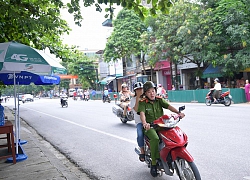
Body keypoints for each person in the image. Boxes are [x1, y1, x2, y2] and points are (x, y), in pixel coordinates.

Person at [137, 81, 185, 177]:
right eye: (149, 92)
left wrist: (178, 113)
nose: (152, 93)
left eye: (153, 91)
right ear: (145, 93)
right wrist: (145, 123)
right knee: (155, 138)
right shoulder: (142, 103)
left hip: (162, 125)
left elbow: (169, 106)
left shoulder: (159, 100)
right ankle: (154, 163)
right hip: (150, 127)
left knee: (173, 133)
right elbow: (142, 114)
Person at [129, 82, 145, 162]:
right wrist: (138, 97)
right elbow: (136, 109)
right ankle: (142, 150)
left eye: (141, 89)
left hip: (149, 120)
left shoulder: (146, 97)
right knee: (140, 134)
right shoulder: (133, 100)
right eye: (138, 89)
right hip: (140, 122)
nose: (140, 90)